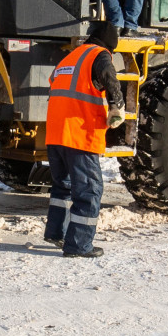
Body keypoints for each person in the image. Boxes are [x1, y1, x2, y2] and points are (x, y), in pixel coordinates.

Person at [44, 18, 124, 258]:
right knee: (89, 190)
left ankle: (56, 233)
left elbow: (54, 83)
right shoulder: (99, 55)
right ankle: (79, 245)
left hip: (56, 134)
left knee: (63, 186)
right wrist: (116, 105)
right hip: (79, 134)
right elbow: (110, 78)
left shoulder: (71, 57)